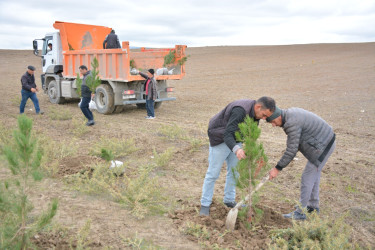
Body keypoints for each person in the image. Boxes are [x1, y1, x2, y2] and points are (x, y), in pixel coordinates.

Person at [200, 97, 276, 216]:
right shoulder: (240, 110)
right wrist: (237, 149)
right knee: (213, 173)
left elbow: (250, 134)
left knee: (235, 172)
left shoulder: (256, 115)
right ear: (258, 107)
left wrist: (252, 151)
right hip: (220, 137)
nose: (264, 118)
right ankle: (205, 204)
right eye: (264, 115)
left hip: (235, 139)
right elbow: (227, 133)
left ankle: (229, 200)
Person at [267, 107, 336, 220]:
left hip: (323, 145)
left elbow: (291, 150)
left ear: (278, 116)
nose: (273, 125)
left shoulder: (291, 123)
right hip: (324, 141)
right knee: (314, 176)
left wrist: (277, 168)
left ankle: (301, 212)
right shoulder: (290, 116)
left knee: (307, 177)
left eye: (273, 122)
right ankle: (312, 207)